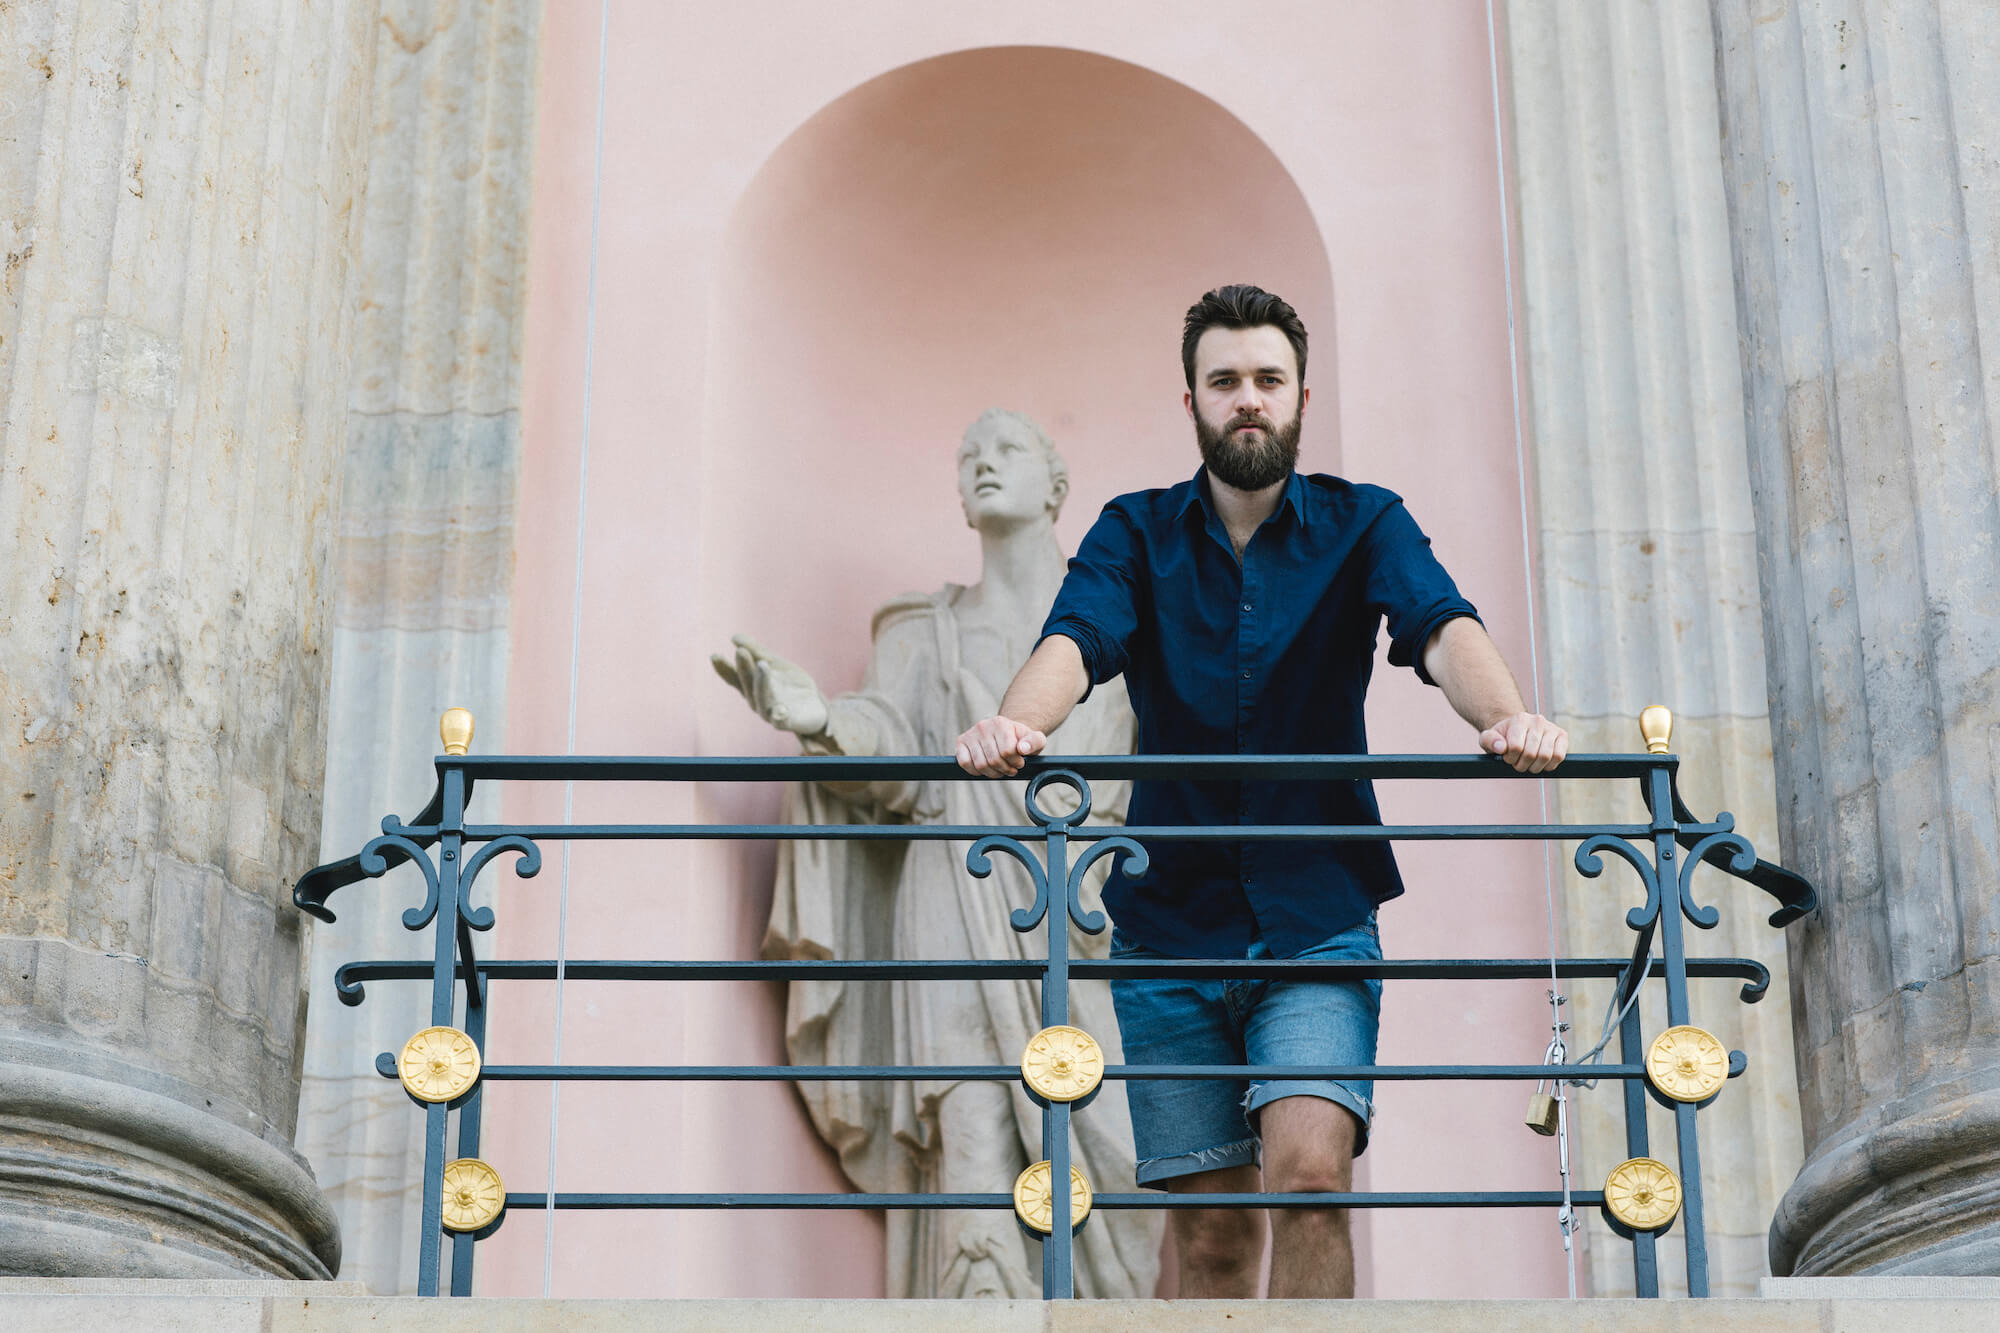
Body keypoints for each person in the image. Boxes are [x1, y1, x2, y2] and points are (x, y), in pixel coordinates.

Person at [954, 285, 1567, 1299]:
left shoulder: (1363, 521)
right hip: (1166, 932)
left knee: (1313, 1180)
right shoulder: (1134, 531)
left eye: (1266, 381)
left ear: (1299, 396)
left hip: (1315, 918)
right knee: (1213, 1240)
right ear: (1190, 401)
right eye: (1224, 380)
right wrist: (1018, 722)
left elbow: (1437, 625)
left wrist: (1506, 718)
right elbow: (1076, 637)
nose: (1247, 398)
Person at [718, 408, 1160, 1299]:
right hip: (954, 875)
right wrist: (820, 719)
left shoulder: (1128, 625)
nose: (982, 464)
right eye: (968, 455)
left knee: (1115, 1124)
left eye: (1007, 450)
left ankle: (1108, 1308)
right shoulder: (924, 628)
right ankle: (980, 1301)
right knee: (966, 1099)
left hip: (1096, 897)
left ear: (1056, 484)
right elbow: (890, 745)